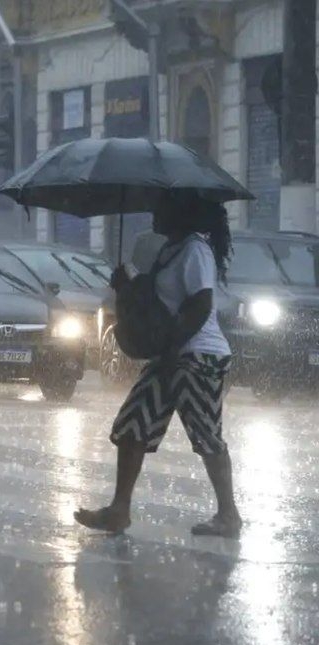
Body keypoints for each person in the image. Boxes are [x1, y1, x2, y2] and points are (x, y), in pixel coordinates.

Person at [76, 195, 241, 538]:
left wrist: (171, 351)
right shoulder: (171, 250)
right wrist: (126, 287)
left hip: (198, 356)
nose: (154, 214)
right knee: (133, 425)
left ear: (181, 211)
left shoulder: (195, 250)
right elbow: (158, 302)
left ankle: (229, 516)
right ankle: (119, 510)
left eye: (161, 208)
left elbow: (200, 305)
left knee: (206, 433)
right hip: (170, 354)